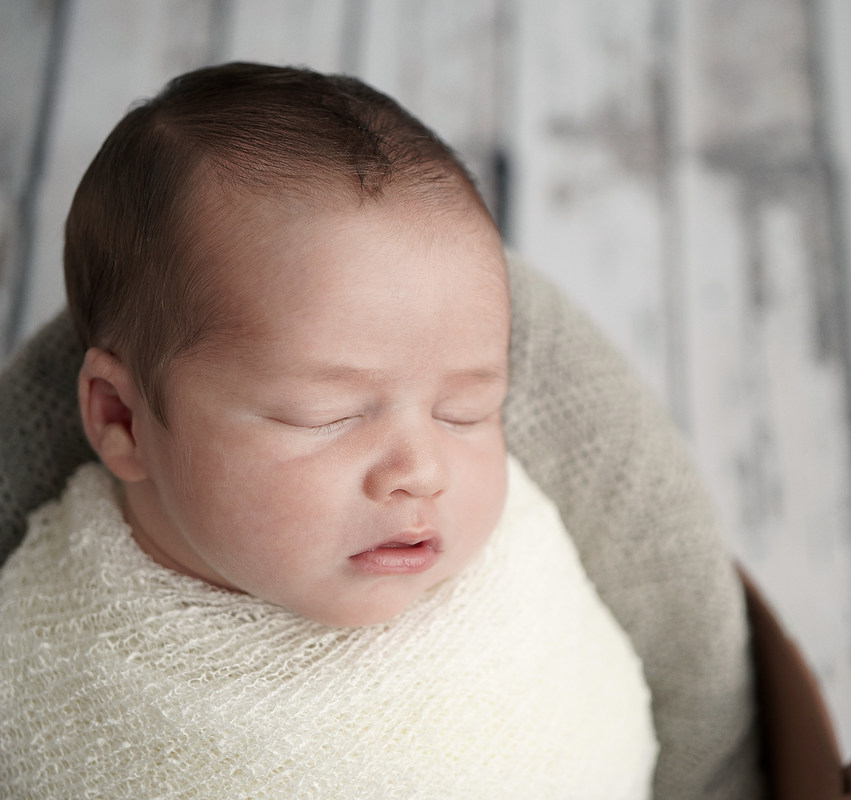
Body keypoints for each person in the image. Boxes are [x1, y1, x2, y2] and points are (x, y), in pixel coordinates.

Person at [0, 62, 657, 798]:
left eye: (466, 412)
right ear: (121, 420)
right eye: (327, 415)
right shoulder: (47, 658)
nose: (423, 469)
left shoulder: (516, 577)